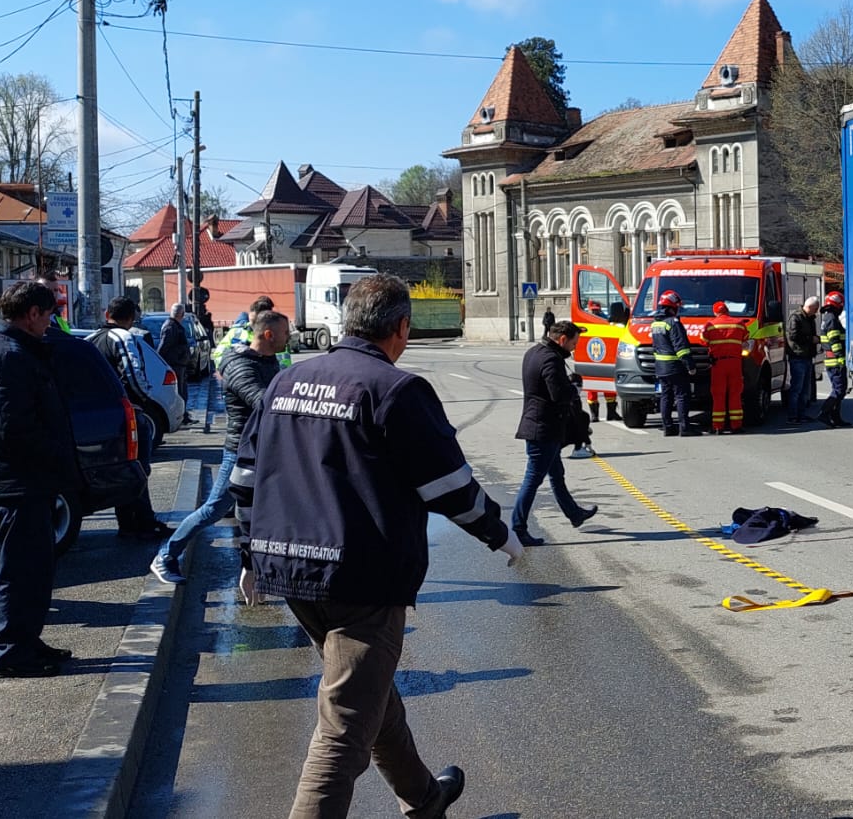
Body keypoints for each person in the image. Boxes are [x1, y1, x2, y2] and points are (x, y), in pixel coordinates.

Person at [232, 274, 518, 819]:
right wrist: (499, 534)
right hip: (362, 579)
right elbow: (448, 486)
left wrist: (248, 551)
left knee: (370, 695)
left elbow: (245, 477)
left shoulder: (287, 381)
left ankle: (425, 799)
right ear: (401, 327)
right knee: (343, 730)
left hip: (289, 570)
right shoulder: (395, 389)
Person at [0, 281, 78, 679]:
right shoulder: (8, 355)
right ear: (32, 314)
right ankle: (11, 651)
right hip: (18, 483)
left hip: (25, 480)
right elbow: (15, 426)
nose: (51, 323)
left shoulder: (10, 349)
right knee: (20, 572)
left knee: (33, 570)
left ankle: (26, 641)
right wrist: (55, 455)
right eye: (48, 315)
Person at [151, 309, 288, 584]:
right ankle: (165, 555)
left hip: (265, 449)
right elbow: (263, 402)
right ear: (269, 335)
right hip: (241, 453)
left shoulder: (268, 360)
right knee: (214, 509)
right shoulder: (240, 366)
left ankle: (266, 569)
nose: (290, 336)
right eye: (285, 332)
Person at [89, 297, 172, 537]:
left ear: (107, 314)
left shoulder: (90, 340)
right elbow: (134, 375)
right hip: (128, 413)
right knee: (139, 468)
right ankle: (143, 521)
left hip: (101, 415)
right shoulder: (123, 338)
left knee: (124, 468)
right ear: (131, 318)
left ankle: (126, 522)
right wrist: (144, 400)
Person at [512, 319, 599, 543]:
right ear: (562, 339)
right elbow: (558, 394)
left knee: (556, 475)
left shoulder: (534, 352)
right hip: (543, 429)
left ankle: (574, 514)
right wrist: (574, 388)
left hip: (540, 426)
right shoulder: (551, 359)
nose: (574, 348)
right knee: (533, 479)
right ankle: (518, 528)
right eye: (573, 343)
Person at [649, 289, 697, 437]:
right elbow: (681, 347)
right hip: (675, 367)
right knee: (682, 396)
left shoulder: (655, 324)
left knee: (666, 397)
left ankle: (668, 427)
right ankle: (685, 428)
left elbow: (655, 347)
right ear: (672, 307)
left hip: (661, 368)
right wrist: (690, 366)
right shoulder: (673, 323)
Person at [705, 300, 749, 433]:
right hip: (735, 363)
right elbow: (745, 338)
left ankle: (718, 427)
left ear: (715, 312)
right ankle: (736, 425)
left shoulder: (710, 325)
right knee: (735, 393)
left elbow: (704, 341)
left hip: (718, 364)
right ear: (727, 310)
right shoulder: (739, 323)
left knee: (718, 395)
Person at [580, 298, 620, 424]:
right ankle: (594, 415)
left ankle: (611, 413)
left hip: (606, 358)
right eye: (593, 311)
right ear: (588, 310)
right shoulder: (583, 323)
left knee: (609, 388)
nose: (595, 313)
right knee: (592, 389)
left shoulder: (606, 321)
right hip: (590, 359)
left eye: (597, 310)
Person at [817, 290, 851, 428]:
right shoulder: (831, 319)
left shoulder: (828, 317)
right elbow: (834, 340)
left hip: (832, 360)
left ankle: (836, 418)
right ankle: (824, 413)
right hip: (835, 360)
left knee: (839, 388)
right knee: (839, 389)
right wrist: (840, 357)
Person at [785, 296, 820, 423]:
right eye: (815, 309)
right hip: (797, 356)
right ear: (810, 307)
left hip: (807, 356)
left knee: (805, 389)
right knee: (797, 388)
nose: (816, 312)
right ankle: (793, 416)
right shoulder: (796, 317)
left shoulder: (810, 318)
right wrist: (811, 339)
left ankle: (802, 414)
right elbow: (793, 336)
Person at [159, 303, 195, 426]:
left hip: (179, 364)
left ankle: (183, 415)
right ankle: (181, 416)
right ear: (181, 314)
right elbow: (164, 347)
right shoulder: (170, 327)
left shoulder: (174, 326)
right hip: (175, 364)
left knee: (182, 391)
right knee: (179, 392)